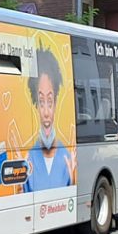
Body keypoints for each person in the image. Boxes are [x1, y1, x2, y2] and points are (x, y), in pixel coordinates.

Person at [23, 47, 76, 192]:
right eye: (41, 102)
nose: (46, 113)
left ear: (56, 103)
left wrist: (72, 183)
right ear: (35, 105)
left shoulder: (67, 157)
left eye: (50, 102)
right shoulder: (28, 159)